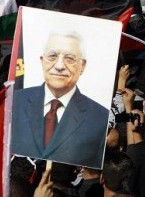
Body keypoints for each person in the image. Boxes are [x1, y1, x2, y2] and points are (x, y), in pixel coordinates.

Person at [11, 30, 109, 168]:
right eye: (52, 56)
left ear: (83, 66)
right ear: (42, 61)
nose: (59, 66)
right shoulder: (14, 102)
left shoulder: (100, 118)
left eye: (69, 59)